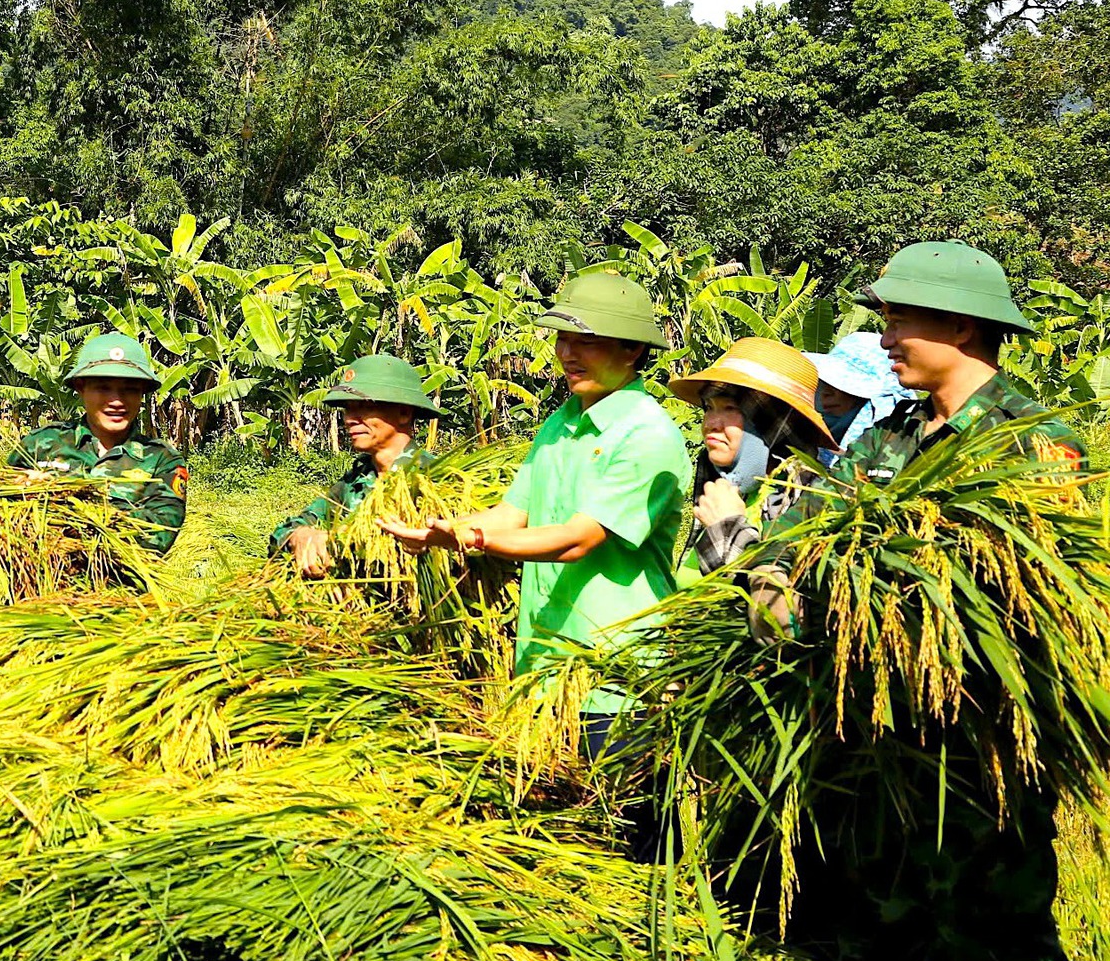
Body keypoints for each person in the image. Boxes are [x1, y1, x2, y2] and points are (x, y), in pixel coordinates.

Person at [747, 242, 1084, 961]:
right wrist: (774, 567)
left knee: (999, 943)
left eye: (901, 319)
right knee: (888, 941)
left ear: (962, 329)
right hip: (880, 740)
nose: (887, 336)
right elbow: (812, 520)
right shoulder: (890, 430)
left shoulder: (1035, 442)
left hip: (980, 750)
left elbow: (1033, 594)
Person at [378, 272, 689, 756]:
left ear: (631, 351)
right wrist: (444, 531)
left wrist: (473, 541)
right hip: (543, 665)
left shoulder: (647, 433)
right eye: (563, 339)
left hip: (617, 674)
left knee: (626, 826)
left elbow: (576, 540)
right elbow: (513, 513)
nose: (567, 353)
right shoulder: (559, 423)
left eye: (585, 340)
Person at [668, 337, 835, 582]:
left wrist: (726, 527)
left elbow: (773, 599)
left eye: (730, 409)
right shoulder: (729, 490)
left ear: (769, 423)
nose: (710, 423)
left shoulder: (803, 502)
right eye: (709, 408)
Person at [10, 333, 189, 556]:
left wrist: (63, 496)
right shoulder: (39, 445)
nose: (116, 401)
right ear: (80, 387)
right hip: (38, 589)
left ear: (142, 393)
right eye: (103, 388)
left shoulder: (162, 460)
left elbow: (155, 539)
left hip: (120, 590)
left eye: (130, 389)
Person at [269, 354, 444, 575]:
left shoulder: (435, 479)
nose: (350, 419)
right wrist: (301, 536)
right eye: (348, 409)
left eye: (364, 407)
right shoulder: (355, 480)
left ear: (404, 413)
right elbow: (292, 526)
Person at [805, 331, 911, 458]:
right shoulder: (804, 427)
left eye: (843, 385)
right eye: (826, 382)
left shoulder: (888, 446)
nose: (826, 393)